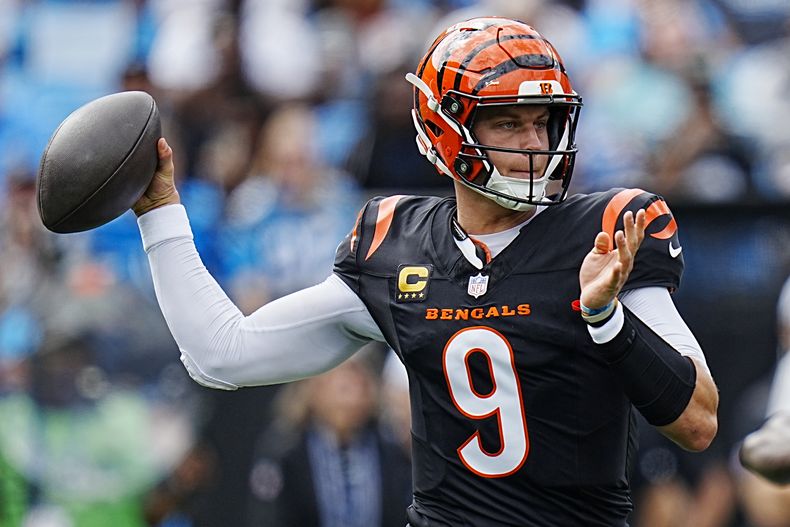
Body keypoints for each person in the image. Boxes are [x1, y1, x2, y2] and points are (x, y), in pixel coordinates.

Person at [131, 17, 718, 526]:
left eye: (543, 122)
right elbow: (222, 354)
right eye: (509, 123)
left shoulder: (606, 232)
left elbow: (697, 422)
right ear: (447, 129)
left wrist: (605, 317)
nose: (536, 142)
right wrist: (160, 213)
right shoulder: (395, 244)